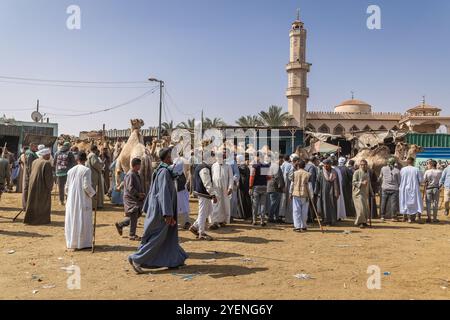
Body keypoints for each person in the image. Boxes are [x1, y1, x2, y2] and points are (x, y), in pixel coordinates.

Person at [128, 148, 188, 274]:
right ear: (167, 157)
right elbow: (163, 194)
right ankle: (137, 259)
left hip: (164, 210)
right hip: (161, 212)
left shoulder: (164, 171)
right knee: (157, 237)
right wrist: (167, 214)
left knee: (169, 237)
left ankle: (175, 260)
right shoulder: (164, 173)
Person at [64, 152, 96, 250]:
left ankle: (72, 242)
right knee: (82, 219)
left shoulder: (70, 171)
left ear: (77, 159)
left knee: (72, 218)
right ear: (85, 160)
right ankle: (83, 243)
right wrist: (94, 194)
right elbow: (86, 186)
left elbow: (66, 187)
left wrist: (69, 196)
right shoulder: (86, 170)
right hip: (82, 199)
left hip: (71, 199)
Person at [115, 158, 146, 241]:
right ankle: (132, 234)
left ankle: (121, 224)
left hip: (135, 198)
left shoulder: (135, 174)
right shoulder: (130, 174)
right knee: (134, 213)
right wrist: (138, 194)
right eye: (139, 165)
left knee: (136, 214)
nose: (140, 166)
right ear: (135, 165)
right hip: (131, 198)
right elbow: (130, 188)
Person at [190, 151, 217, 241]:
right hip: (204, 194)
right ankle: (201, 232)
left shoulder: (203, 166)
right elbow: (207, 183)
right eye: (213, 157)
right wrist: (213, 194)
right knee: (203, 213)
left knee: (208, 211)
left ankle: (195, 226)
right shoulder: (204, 168)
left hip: (204, 194)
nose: (214, 159)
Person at [23, 148, 53, 225]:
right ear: (45, 155)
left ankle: (31, 219)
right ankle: (42, 220)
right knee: (43, 204)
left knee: (33, 202)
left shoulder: (35, 161)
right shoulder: (46, 163)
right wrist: (50, 187)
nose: (50, 156)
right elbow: (48, 178)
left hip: (32, 186)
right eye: (49, 155)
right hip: (42, 187)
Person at [209, 150, 233, 229]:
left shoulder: (228, 166)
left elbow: (231, 178)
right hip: (216, 188)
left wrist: (230, 188)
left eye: (221, 156)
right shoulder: (213, 166)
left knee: (224, 204)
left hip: (225, 188)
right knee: (215, 204)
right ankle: (215, 221)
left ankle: (223, 221)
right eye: (218, 156)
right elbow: (212, 177)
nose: (219, 158)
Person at [314, 159, 340, 226]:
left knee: (332, 205)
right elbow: (317, 182)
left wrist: (337, 192)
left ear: (330, 165)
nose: (325, 166)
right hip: (324, 192)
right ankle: (325, 220)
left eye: (327, 164)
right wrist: (316, 192)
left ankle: (332, 220)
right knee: (324, 206)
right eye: (324, 164)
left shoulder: (334, 172)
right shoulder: (321, 172)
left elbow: (337, 183)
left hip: (333, 191)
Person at [399, 157, 423, 223]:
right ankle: (415, 217)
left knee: (405, 201)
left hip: (404, 188)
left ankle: (405, 217)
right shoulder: (416, 169)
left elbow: (400, 179)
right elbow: (421, 180)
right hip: (414, 188)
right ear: (413, 162)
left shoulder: (403, 169)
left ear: (407, 162)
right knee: (416, 202)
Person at [290, 160, 311, 232]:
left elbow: (292, 184)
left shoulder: (294, 173)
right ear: (304, 166)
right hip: (305, 194)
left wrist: (290, 193)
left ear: (298, 166)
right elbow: (309, 186)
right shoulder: (308, 174)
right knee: (304, 211)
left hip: (296, 194)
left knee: (296, 210)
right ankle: (303, 225)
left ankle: (297, 226)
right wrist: (310, 195)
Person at [250, 151, 270, 226]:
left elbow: (252, 177)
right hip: (264, 186)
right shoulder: (266, 166)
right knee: (263, 204)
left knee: (255, 204)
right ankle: (262, 221)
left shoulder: (255, 166)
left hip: (256, 186)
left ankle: (254, 220)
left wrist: (250, 186)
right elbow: (268, 177)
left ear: (257, 157)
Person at [353, 159, 373, 228]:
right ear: (360, 165)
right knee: (360, 209)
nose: (363, 166)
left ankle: (364, 222)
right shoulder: (356, 172)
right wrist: (361, 183)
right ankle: (360, 222)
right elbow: (353, 182)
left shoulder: (367, 173)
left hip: (365, 193)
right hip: (358, 193)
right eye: (362, 165)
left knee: (365, 209)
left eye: (365, 165)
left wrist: (371, 192)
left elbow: (369, 183)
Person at [267, 155, 285, 223]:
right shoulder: (276, 166)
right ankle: (270, 217)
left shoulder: (273, 166)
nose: (282, 162)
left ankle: (276, 217)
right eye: (281, 160)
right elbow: (278, 178)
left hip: (274, 187)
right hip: (275, 188)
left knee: (276, 204)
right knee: (274, 203)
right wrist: (281, 187)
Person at [86, 145, 104, 209]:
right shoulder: (93, 155)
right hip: (94, 175)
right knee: (94, 189)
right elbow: (95, 164)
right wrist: (101, 166)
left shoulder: (88, 155)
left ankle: (94, 204)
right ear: (95, 149)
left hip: (91, 174)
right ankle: (94, 205)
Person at [22, 143, 39, 210]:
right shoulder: (30, 154)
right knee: (27, 189)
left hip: (29, 173)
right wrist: (31, 175)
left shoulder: (32, 153)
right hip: (29, 174)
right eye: (35, 147)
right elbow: (29, 166)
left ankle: (28, 205)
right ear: (31, 146)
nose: (36, 148)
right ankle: (26, 206)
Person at [236, 154, 252, 220]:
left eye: (237, 159)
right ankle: (247, 214)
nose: (236, 161)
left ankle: (243, 215)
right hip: (245, 186)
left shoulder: (243, 166)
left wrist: (237, 168)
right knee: (245, 200)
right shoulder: (244, 166)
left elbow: (242, 172)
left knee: (242, 201)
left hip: (243, 186)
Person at [278, 154, 293, 222]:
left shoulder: (281, 165)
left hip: (281, 183)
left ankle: (280, 214)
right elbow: (288, 175)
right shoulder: (290, 165)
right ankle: (284, 215)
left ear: (283, 159)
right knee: (286, 199)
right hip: (287, 183)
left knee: (282, 199)